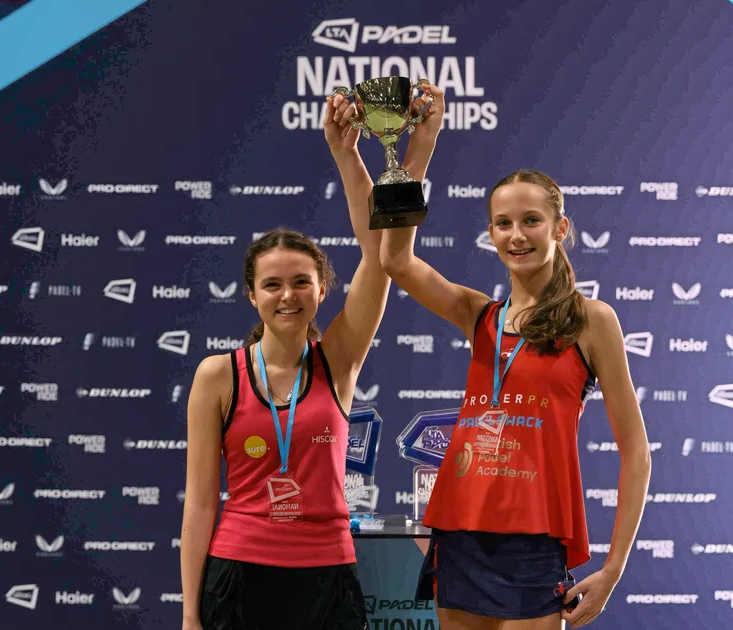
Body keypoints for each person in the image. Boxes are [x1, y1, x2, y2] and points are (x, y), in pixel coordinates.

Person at [178, 85, 442, 630]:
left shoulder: (338, 360)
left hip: (328, 577)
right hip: (238, 576)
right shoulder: (218, 375)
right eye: (271, 284)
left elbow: (381, 253)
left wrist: (357, 154)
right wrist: (188, 614)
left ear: (323, 288)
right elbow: (201, 503)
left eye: (302, 282)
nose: (287, 295)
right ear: (252, 295)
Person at [380, 157, 652, 624]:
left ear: (560, 227)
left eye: (531, 221)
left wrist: (614, 569)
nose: (516, 236)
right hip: (462, 531)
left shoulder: (592, 320)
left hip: (535, 540)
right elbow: (395, 260)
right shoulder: (480, 315)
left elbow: (637, 454)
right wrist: (424, 146)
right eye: (503, 224)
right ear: (490, 232)